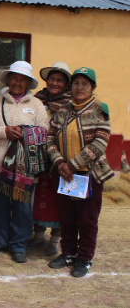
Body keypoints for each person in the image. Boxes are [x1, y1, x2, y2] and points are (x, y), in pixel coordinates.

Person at [46, 67, 113, 278]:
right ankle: (68, 253)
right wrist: (59, 163)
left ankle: (84, 258)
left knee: (87, 220)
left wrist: (73, 164)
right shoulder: (63, 110)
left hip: (89, 176)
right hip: (65, 175)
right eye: (76, 83)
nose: (80, 87)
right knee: (67, 217)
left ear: (92, 87)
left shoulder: (99, 110)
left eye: (85, 84)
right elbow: (50, 139)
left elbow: (100, 142)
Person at [0, 61, 49, 263]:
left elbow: (44, 133)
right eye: (14, 78)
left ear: (28, 83)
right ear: (8, 80)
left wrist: (26, 133)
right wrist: (4, 131)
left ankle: (19, 244)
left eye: (22, 79)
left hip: (24, 169)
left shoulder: (36, 106)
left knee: (22, 210)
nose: (17, 82)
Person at [29, 62, 73, 256]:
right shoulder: (37, 99)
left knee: (59, 199)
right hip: (37, 157)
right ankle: (38, 236)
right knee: (38, 197)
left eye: (60, 80)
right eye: (52, 79)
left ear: (66, 84)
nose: (55, 83)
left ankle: (55, 239)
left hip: (60, 158)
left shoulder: (72, 104)